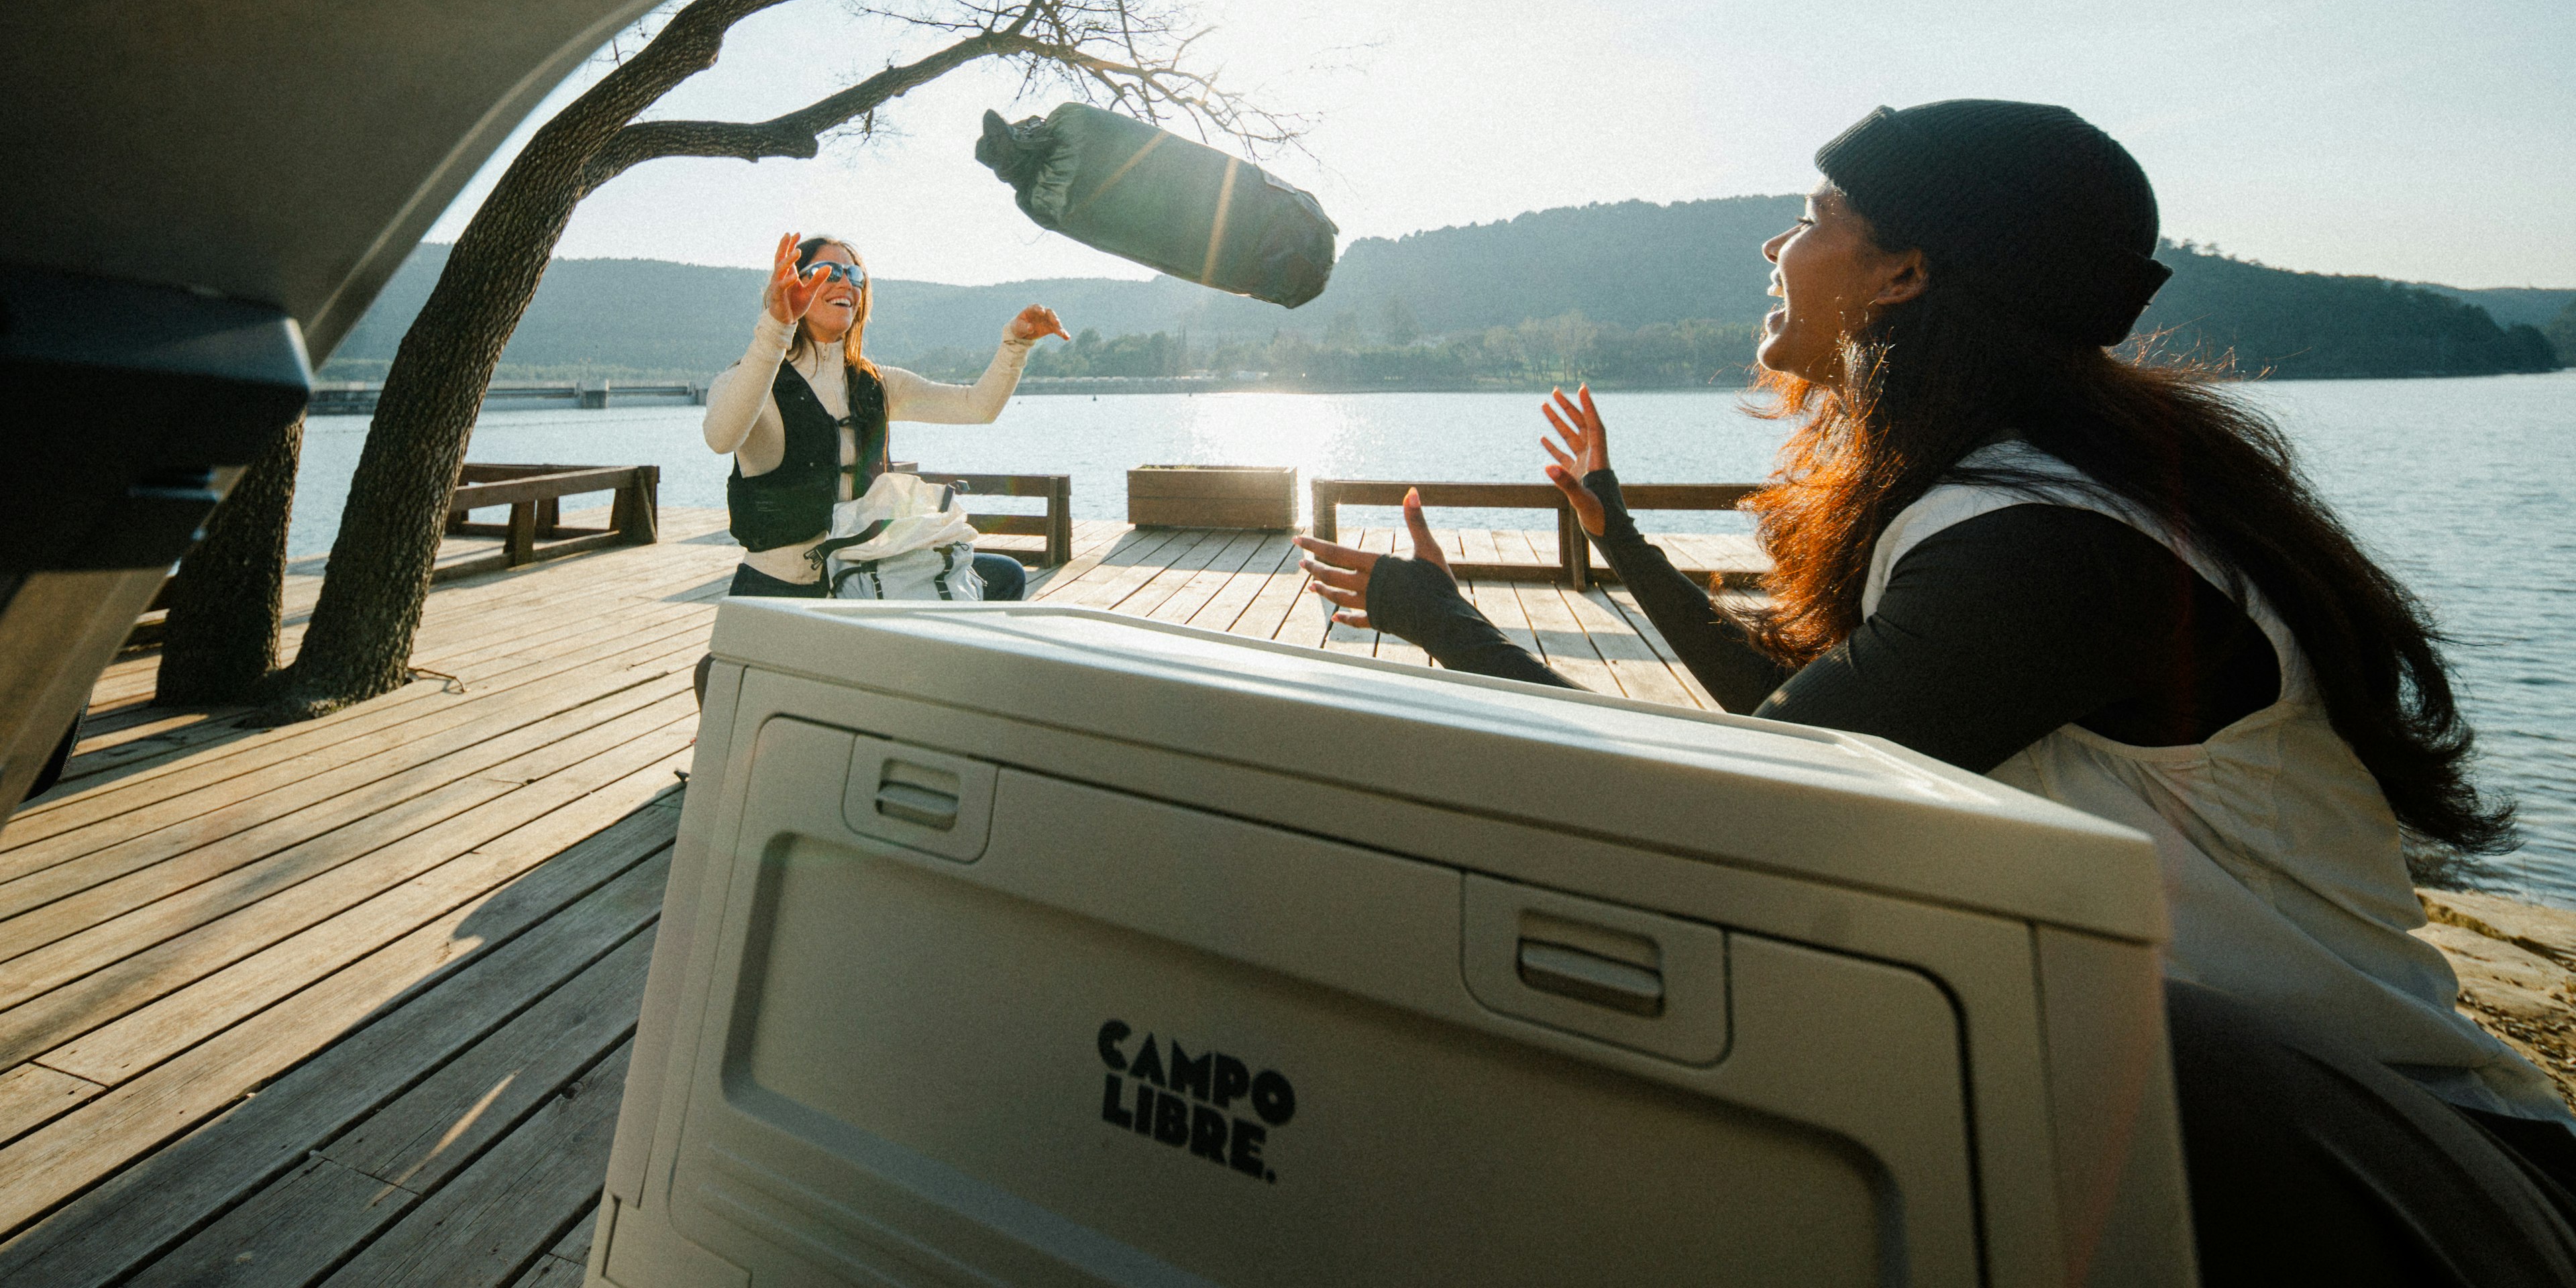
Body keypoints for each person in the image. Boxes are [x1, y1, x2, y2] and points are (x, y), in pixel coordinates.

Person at [1298, 100, 2576, 1286]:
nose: (1773, 241)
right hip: (2267, 1136)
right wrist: (1620, 535)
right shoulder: (2057, 494)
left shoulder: (2043, 545)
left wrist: (1444, 624)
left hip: (2374, 1184)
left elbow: (1724, 799)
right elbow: (1796, 726)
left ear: (1906, 275)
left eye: (1812, 216)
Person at [700, 231, 1066, 649]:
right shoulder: (745, 379)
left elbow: (976, 406)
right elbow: (720, 437)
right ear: (795, 283)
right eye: (828, 271)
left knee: (1003, 577)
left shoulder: (877, 382)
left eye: (855, 274)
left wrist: (1015, 344)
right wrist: (777, 326)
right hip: (782, 589)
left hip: (872, 576)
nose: (846, 283)